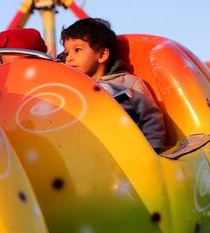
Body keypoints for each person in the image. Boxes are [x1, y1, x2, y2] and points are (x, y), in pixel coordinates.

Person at [61, 18, 167, 152]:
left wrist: (154, 147)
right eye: (66, 53)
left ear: (102, 55)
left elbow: (150, 116)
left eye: (77, 50)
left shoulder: (127, 83)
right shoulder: (72, 89)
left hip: (128, 151)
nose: (69, 58)